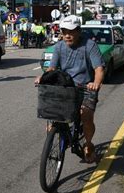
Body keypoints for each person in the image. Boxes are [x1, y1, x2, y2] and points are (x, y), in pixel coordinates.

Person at [34, 15, 105, 163]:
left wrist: (96, 83)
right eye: (64, 31)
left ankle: (88, 143)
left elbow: (99, 69)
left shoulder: (89, 45)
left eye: (71, 31)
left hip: (86, 87)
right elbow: (52, 68)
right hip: (66, 86)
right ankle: (57, 133)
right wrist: (43, 77)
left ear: (78, 31)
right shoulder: (59, 46)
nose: (67, 35)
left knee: (86, 115)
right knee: (52, 113)